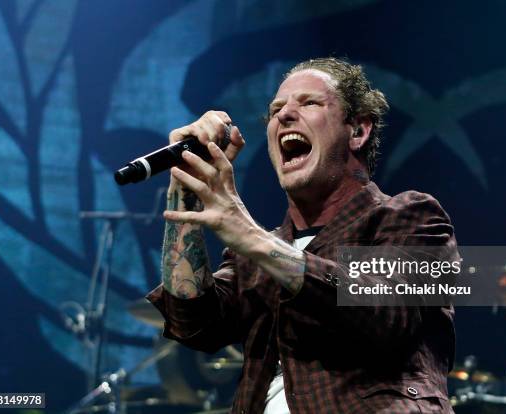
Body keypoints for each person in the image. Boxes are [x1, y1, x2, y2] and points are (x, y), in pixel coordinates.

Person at [147, 57, 458, 414]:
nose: (284, 115)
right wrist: (185, 185)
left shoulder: (410, 217)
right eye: (276, 108)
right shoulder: (256, 253)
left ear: (358, 131)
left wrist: (254, 239)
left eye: (309, 103)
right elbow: (194, 324)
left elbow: (388, 316)